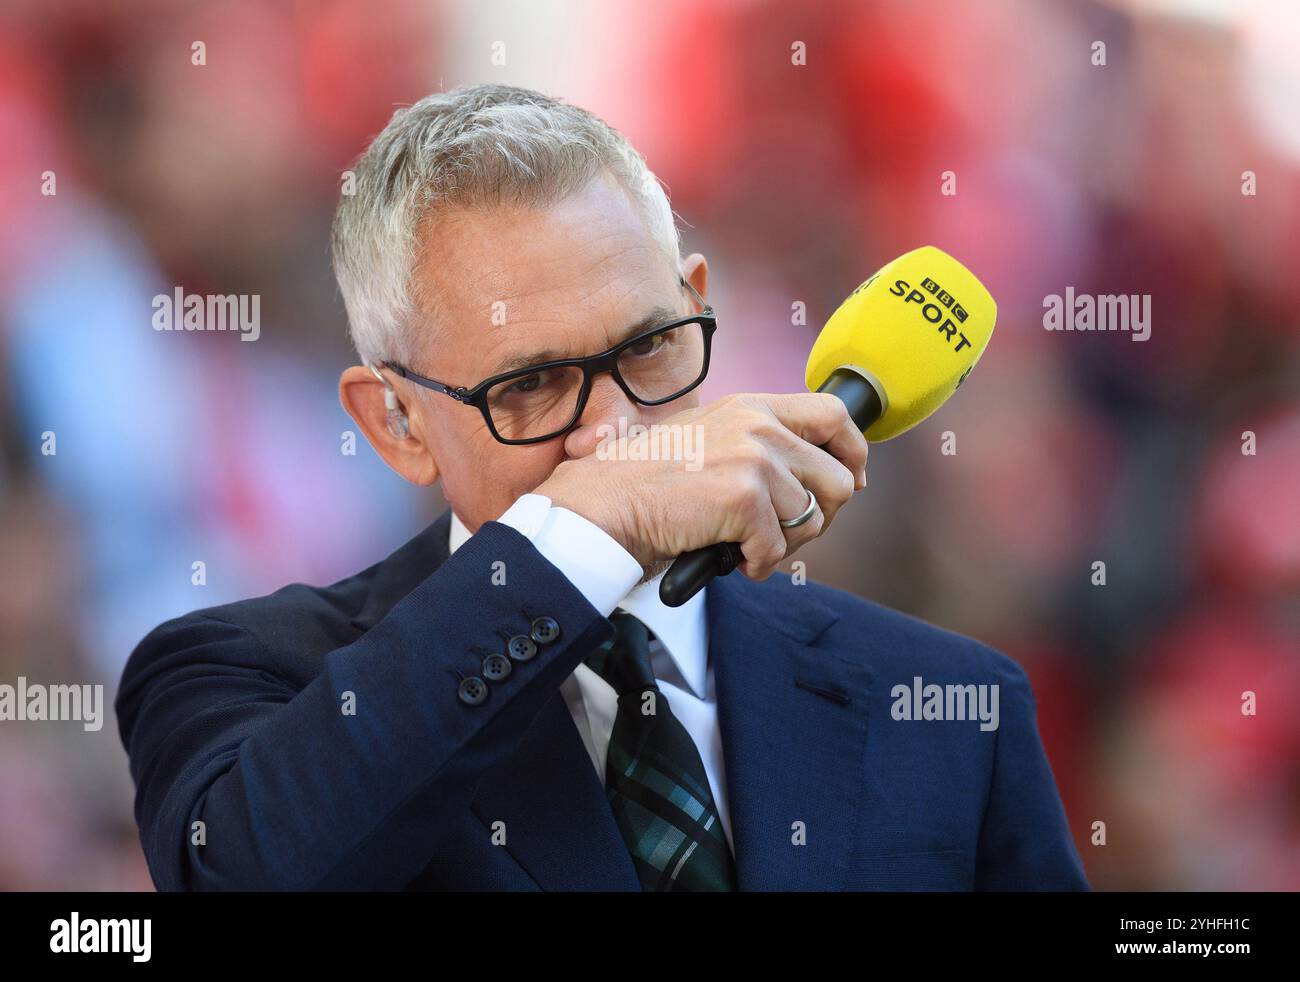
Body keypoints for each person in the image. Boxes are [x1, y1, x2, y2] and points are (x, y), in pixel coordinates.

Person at [116, 83, 1088, 891]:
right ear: (395, 421)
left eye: (650, 346)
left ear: (699, 306)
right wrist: (588, 522)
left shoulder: (952, 698)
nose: (614, 429)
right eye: (530, 384)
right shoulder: (242, 674)